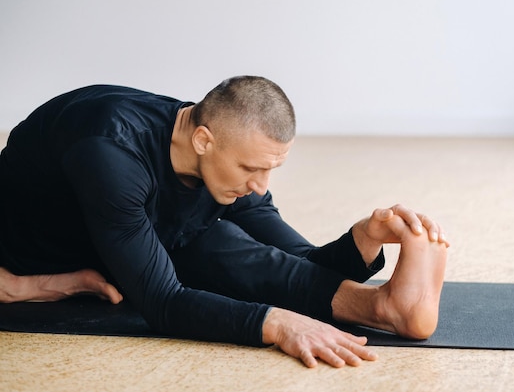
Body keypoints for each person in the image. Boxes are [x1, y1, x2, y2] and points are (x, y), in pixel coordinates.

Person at [0, 76, 449, 368]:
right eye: (252, 169)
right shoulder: (112, 154)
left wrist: (364, 240)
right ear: (203, 140)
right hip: (28, 246)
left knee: (226, 247)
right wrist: (277, 324)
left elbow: (300, 258)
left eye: (271, 170)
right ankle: (25, 285)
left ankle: (383, 308)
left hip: (119, 227)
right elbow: (163, 303)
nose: (260, 185)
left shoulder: (217, 154)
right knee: (202, 252)